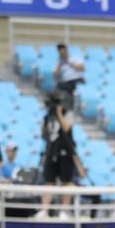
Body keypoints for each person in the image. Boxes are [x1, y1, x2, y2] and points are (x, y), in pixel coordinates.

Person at [35, 90, 78, 219]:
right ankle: (44, 210)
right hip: (51, 150)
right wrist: (48, 117)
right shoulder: (48, 116)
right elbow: (43, 134)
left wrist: (59, 114)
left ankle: (64, 211)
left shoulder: (67, 113)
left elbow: (66, 128)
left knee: (66, 182)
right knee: (49, 181)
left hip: (65, 152)